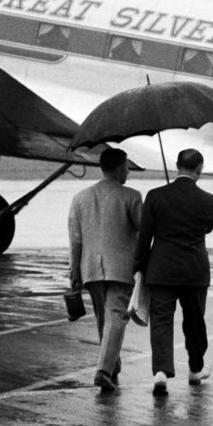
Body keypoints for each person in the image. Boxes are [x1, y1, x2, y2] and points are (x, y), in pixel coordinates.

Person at [134, 148, 213, 395]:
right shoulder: (209, 200)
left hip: (161, 270)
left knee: (161, 320)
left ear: (177, 166)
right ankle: (195, 368)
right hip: (195, 271)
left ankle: (161, 371)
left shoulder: (155, 196)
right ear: (199, 169)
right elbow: (209, 228)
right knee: (194, 320)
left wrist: (139, 266)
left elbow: (145, 236)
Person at [67, 147, 142, 393]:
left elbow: (75, 240)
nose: (128, 172)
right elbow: (142, 229)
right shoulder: (131, 196)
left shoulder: (80, 198)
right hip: (120, 267)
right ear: (120, 167)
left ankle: (111, 362)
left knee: (104, 318)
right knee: (117, 317)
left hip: (90, 268)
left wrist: (75, 272)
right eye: (128, 167)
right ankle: (103, 370)